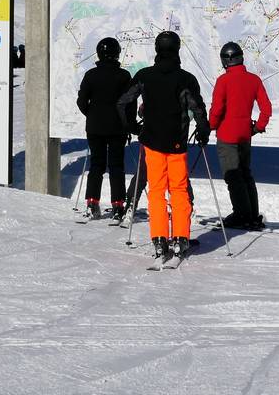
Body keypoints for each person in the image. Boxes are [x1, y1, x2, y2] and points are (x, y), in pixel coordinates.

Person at [117, 30, 209, 263]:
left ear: (157, 49)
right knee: (178, 190)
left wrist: (131, 126)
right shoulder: (186, 78)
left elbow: (124, 102)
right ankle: (180, 238)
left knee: (156, 191)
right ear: (177, 49)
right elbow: (197, 107)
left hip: (152, 142)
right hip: (177, 143)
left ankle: (159, 239)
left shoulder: (144, 75)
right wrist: (204, 130)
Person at [209, 41, 272, 230]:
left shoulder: (223, 81)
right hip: (245, 135)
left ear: (225, 60)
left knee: (233, 176)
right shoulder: (254, 80)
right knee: (246, 175)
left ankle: (241, 215)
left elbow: (217, 110)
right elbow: (266, 108)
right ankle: (252, 215)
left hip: (227, 135)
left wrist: (210, 126)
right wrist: (258, 127)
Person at [76, 37, 132, 220]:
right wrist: (128, 124)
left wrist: (92, 114)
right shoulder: (124, 76)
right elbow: (130, 103)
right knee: (116, 166)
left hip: (95, 127)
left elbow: (81, 101)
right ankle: (118, 205)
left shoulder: (91, 75)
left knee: (96, 165)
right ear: (117, 53)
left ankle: (92, 202)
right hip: (117, 127)